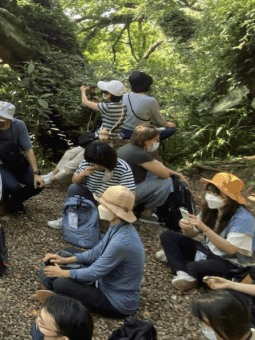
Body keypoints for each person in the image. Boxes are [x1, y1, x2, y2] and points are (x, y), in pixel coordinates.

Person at [39, 185, 143, 318]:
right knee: (68, 252)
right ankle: (58, 287)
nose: (100, 206)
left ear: (116, 212)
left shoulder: (121, 242)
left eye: (105, 205)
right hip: (104, 280)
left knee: (61, 282)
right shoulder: (118, 225)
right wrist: (65, 260)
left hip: (116, 302)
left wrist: (62, 273)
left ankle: (59, 297)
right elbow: (96, 252)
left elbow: (94, 272)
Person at [159, 172, 255, 291]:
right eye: (209, 192)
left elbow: (230, 249)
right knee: (167, 236)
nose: (210, 196)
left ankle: (178, 263)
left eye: (216, 193)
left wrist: (205, 228)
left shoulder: (244, 220)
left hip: (233, 263)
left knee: (195, 267)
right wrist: (185, 226)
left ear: (230, 197)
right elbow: (191, 234)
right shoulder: (210, 210)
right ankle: (183, 273)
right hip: (210, 252)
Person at [47, 141, 135, 230]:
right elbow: (74, 180)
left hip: (110, 203)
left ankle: (104, 224)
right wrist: (82, 174)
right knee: (74, 188)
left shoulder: (123, 168)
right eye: (94, 163)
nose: (97, 166)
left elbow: (131, 193)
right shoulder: (87, 162)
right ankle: (70, 220)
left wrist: (123, 209)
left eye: (99, 164)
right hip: (91, 197)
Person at [0, 102, 43, 215]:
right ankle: (12, 201)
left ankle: (13, 202)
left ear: (9, 119)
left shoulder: (19, 125)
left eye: (1, 119)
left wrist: (36, 173)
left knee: (39, 184)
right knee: (14, 187)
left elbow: (28, 149)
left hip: (16, 162)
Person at [117, 125, 189, 221]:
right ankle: (147, 213)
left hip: (118, 187)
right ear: (146, 141)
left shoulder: (129, 147)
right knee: (166, 182)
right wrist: (177, 175)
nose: (158, 142)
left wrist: (178, 174)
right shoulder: (140, 155)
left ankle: (139, 204)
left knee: (153, 173)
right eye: (156, 140)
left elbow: (156, 164)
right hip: (124, 192)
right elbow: (165, 174)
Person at [120, 71, 177, 140]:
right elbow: (162, 122)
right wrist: (172, 125)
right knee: (171, 129)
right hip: (139, 134)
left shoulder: (124, 96)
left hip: (123, 132)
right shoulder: (150, 100)